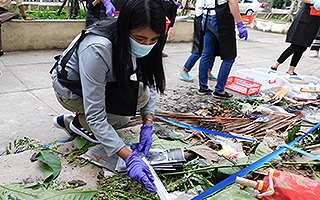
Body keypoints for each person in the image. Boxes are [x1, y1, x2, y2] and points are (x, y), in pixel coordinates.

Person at [51, 0, 167, 194]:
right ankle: (76, 123)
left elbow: (150, 79)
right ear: (125, 29)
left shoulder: (144, 39)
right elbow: (96, 115)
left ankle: (75, 122)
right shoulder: (98, 48)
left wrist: (148, 124)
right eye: (140, 38)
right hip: (71, 92)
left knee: (140, 97)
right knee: (117, 119)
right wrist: (128, 158)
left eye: (153, 40)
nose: (147, 45)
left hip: (105, 86)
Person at [197, 0, 248, 98]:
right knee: (229, 57)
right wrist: (240, 23)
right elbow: (233, 2)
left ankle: (203, 87)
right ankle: (219, 90)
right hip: (220, 19)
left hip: (207, 17)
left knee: (206, 54)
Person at [270, 0, 320, 75]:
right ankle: (274, 66)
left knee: (302, 48)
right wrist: (313, 1)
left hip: (314, 23)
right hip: (304, 20)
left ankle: (291, 70)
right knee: (295, 46)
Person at [179, 5, 216, 82]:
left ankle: (208, 71)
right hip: (202, 18)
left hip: (211, 18)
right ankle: (185, 70)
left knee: (213, 48)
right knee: (200, 49)